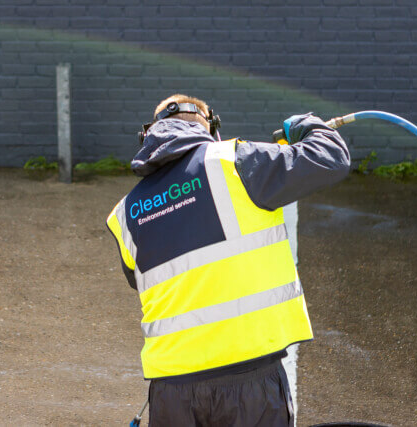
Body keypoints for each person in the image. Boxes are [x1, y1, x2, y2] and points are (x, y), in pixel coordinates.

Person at [107, 94, 350, 426]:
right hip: (249, 382)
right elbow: (330, 158)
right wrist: (309, 125)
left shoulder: (126, 213)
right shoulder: (234, 161)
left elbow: (143, 277)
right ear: (209, 127)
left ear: (148, 137)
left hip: (172, 392)